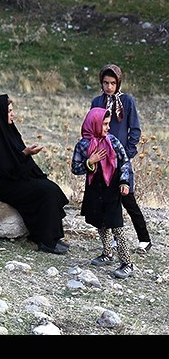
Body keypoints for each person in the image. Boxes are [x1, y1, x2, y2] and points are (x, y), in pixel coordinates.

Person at [0, 94, 69, 254]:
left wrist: (25, 156)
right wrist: (24, 154)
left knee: (50, 187)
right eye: (9, 111)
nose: (13, 114)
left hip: (15, 177)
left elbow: (15, 160)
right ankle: (47, 242)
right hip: (2, 184)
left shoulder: (10, 131)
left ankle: (52, 237)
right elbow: (2, 169)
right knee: (46, 191)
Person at [91, 64, 151, 253]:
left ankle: (144, 239)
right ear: (101, 83)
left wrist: (127, 154)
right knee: (109, 201)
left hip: (121, 160)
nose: (109, 87)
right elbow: (92, 127)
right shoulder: (97, 102)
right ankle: (116, 241)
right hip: (102, 160)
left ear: (118, 83)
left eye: (113, 83)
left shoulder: (127, 101)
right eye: (105, 83)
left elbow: (135, 130)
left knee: (128, 198)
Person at [71, 107, 134, 279]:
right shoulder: (83, 145)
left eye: (108, 124)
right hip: (95, 189)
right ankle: (107, 253)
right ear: (94, 124)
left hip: (112, 187)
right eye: (104, 124)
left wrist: (124, 181)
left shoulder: (112, 141)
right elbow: (75, 168)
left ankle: (127, 263)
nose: (108, 127)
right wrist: (90, 161)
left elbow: (124, 162)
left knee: (116, 225)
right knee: (100, 222)